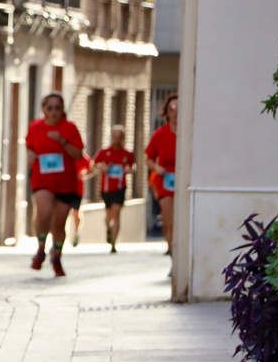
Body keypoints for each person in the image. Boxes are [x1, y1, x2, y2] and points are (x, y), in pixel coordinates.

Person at [25, 92, 85, 277]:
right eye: (49, 108)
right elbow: (30, 148)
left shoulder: (69, 128)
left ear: (62, 110)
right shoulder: (35, 127)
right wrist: (30, 156)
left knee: (59, 224)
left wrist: (62, 141)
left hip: (65, 182)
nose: (53, 112)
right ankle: (41, 247)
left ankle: (57, 256)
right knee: (43, 212)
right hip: (42, 179)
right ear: (43, 109)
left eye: (57, 108)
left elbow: (78, 154)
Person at [145, 93, 178, 258]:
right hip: (165, 180)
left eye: (179, 108)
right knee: (168, 220)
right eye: (172, 108)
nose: (176, 112)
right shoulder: (160, 134)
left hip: (184, 181)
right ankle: (172, 251)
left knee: (182, 221)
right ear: (167, 112)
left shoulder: (189, 133)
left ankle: (179, 254)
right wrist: (156, 168)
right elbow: (148, 159)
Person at [94, 125, 135, 253]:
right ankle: (108, 230)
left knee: (116, 213)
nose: (116, 140)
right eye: (114, 136)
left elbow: (132, 167)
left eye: (119, 137)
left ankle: (113, 244)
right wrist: (102, 167)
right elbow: (94, 164)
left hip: (120, 188)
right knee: (108, 215)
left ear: (123, 138)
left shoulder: (127, 154)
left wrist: (130, 170)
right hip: (106, 189)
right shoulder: (104, 152)